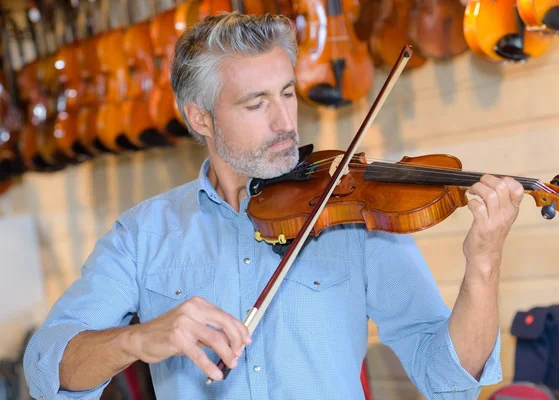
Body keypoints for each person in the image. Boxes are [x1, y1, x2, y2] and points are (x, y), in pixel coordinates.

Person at [23, 12, 525, 400]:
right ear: (201, 118)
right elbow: (47, 365)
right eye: (256, 103)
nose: (285, 121)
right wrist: (137, 340)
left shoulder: (350, 213)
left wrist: (484, 264)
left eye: (287, 92)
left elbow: (448, 378)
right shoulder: (144, 233)